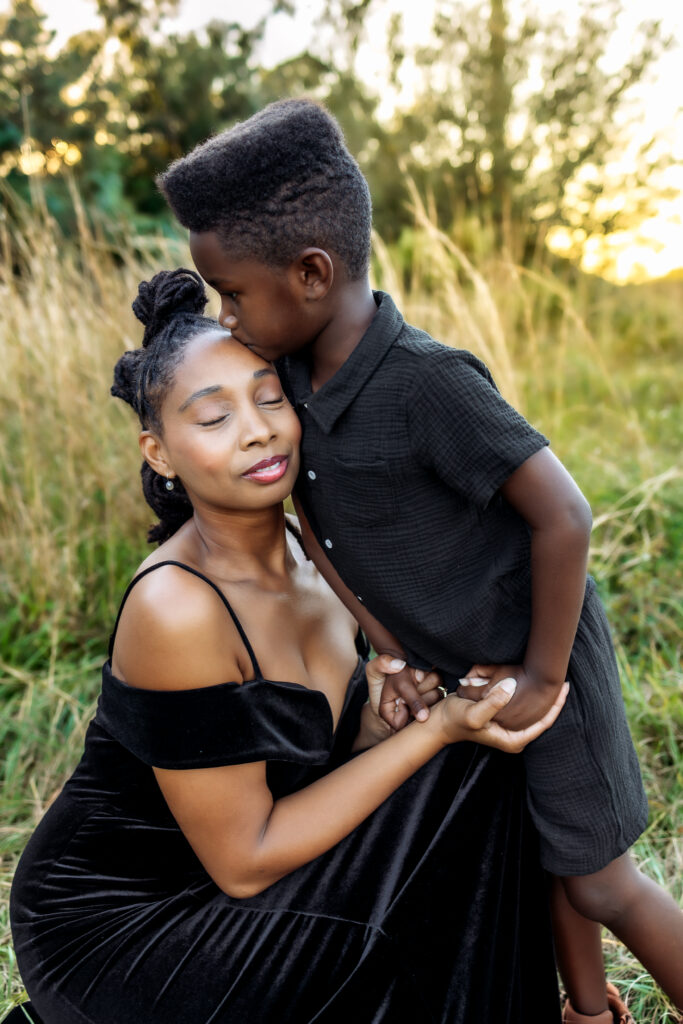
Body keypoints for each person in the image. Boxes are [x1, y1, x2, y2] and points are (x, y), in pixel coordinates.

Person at [157, 98, 683, 1024]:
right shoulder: (291, 386)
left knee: (600, 880)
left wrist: (540, 675)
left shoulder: (426, 381)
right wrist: (390, 651)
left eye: (232, 294)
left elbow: (564, 515)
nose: (227, 318)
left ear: (310, 274)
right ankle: (589, 1013)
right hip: (463, 673)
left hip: (544, 665)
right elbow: (315, 521)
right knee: (537, 850)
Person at [7, 268, 568, 1024]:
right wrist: (434, 731)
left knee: (483, 756)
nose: (257, 429)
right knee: (456, 757)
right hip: (125, 935)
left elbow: (302, 774)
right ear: (159, 451)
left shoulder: (317, 550)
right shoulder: (177, 608)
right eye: (214, 418)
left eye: (270, 398)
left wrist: (376, 728)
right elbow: (245, 862)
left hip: (246, 884)